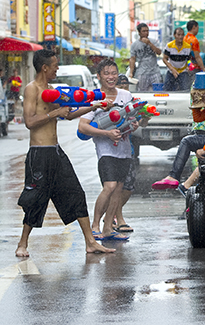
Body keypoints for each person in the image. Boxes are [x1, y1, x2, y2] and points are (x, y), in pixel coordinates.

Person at [16, 49, 115, 257]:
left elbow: (68, 115)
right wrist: (54, 113)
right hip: (39, 154)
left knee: (76, 193)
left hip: (56, 152)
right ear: (45, 68)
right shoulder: (32, 89)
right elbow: (29, 122)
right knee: (36, 199)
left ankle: (90, 242)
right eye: (54, 65)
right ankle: (22, 244)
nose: (57, 69)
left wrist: (94, 106)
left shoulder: (52, 89)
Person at [79, 59, 135, 241]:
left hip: (125, 150)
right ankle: (95, 225)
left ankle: (108, 227)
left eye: (113, 73)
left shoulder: (126, 95)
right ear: (99, 76)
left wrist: (135, 124)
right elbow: (82, 127)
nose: (111, 77)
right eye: (106, 74)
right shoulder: (94, 98)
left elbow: (135, 118)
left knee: (118, 188)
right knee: (109, 186)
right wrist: (106, 133)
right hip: (106, 151)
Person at [112, 74, 138, 233]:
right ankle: (117, 218)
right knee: (115, 186)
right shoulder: (112, 103)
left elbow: (139, 121)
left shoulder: (131, 102)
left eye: (125, 85)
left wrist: (144, 118)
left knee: (128, 186)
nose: (123, 88)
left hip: (128, 150)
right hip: (111, 150)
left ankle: (112, 214)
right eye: (120, 85)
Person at [129, 23, 163, 92]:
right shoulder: (135, 45)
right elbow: (132, 59)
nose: (146, 33)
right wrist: (131, 72)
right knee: (142, 92)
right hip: (142, 72)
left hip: (155, 71)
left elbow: (159, 52)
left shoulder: (153, 41)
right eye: (143, 31)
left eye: (147, 31)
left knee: (158, 91)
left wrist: (149, 43)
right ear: (139, 32)